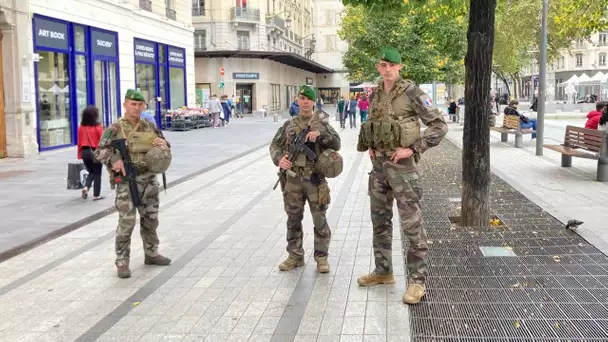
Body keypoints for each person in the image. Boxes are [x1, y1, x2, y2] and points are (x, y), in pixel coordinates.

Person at [355, 47, 448, 305]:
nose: (387, 70)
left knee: (412, 225)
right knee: (380, 222)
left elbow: (439, 126)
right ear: (378, 67)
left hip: (404, 171)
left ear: (399, 67)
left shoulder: (412, 93)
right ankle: (384, 271)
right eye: (383, 65)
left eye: (391, 66)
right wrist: (372, 144)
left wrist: (412, 148)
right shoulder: (375, 93)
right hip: (379, 170)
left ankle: (417, 282)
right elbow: (376, 124)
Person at [94, 89, 172, 278]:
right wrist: (114, 160)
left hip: (149, 180)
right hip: (127, 182)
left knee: (151, 220)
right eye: (132, 104)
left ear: (144, 106)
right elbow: (99, 151)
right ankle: (122, 261)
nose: (136, 108)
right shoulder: (115, 128)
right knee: (126, 222)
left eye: (140, 105)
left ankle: (151, 253)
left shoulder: (149, 125)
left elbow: (165, 144)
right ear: (125, 105)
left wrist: (163, 143)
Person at [269, 85, 342, 273]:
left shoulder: (321, 123)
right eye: (302, 98)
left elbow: (337, 143)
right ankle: (295, 255)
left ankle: (322, 258)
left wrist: (321, 135)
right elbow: (275, 146)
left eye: (309, 99)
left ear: (313, 102)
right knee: (293, 219)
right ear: (297, 100)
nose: (305, 102)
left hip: (315, 179)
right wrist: (280, 160)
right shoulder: (289, 125)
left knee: (319, 219)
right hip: (293, 180)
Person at [77, 106, 104, 201]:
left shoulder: (81, 128)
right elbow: (103, 140)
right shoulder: (97, 127)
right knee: (97, 173)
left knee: (91, 172)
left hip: (85, 152)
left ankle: (86, 187)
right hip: (95, 152)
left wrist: (80, 154)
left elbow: (79, 142)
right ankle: (96, 195)